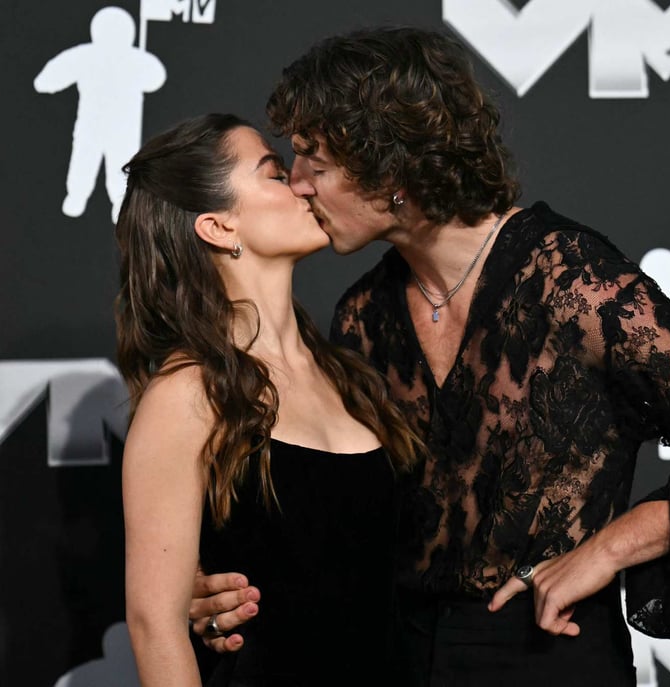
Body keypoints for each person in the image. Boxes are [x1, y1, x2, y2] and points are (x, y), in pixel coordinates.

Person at [188, 28, 670, 685]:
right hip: (395, 659)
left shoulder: (567, 279)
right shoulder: (364, 315)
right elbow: (338, 522)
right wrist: (215, 590)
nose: (299, 183)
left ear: (388, 166)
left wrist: (605, 551)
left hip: (548, 654)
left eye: (314, 158)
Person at [115, 113, 424, 686]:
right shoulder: (188, 394)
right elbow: (153, 625)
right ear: (218, 227)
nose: (305, 185)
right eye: (276, 175)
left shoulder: (348, 370)